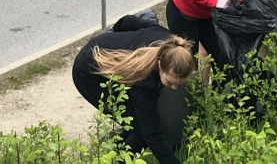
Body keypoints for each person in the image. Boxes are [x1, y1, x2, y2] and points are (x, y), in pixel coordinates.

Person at [72, 14, 196, 164]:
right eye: (170, 82)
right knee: (139, 128)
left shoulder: (172, 44)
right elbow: (152, 133)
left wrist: (115, 37)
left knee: (140, 122)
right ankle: (117, 160)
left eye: (179, 83)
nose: (174, 87)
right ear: (160, 65)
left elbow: (128, 21)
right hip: (88, 73)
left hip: (101, 46)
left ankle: (114, 148)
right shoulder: (145, 81)